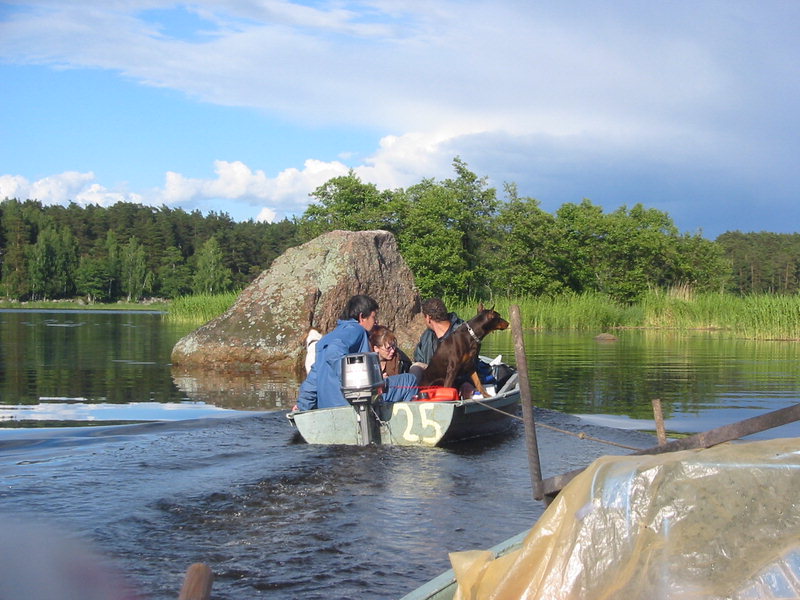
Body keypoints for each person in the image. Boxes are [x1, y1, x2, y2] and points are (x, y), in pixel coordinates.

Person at [296, 294, 417, 411]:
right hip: (353, 404)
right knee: (409, 380)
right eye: (373, 317)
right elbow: (334, 351)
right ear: (361, 317)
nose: (375, 322)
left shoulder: (325, 340)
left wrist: (302, 408)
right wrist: (357, 381)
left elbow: (312, 382)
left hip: (328, 407)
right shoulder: (356, 329)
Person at [410, 298, 464, 381]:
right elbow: (418, 358)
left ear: (428, 318)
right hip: (432, 378)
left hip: (457, 378)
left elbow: (470, 364)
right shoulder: (427, 336)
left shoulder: (462, 332)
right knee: (416, 367)